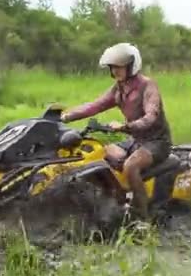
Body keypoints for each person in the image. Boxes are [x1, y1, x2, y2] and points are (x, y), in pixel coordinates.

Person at [60, 42, 172, 219]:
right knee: (102, 153)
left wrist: (125, 126)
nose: (115, 72)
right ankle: (117, 202)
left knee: (131, 166)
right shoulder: (118, 89)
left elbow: (151, 116)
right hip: (136, 141)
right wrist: (66, 116)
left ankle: (143, 217)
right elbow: (94, 106)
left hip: (157, 142)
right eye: (112, 68)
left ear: (131, 66)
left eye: (119, 67)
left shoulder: (147, 86)